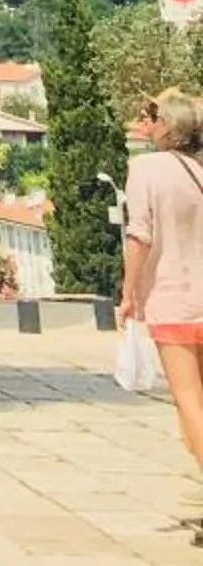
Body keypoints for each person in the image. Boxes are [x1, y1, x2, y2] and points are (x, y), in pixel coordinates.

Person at [120, 92, 203, 482]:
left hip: (174, 299)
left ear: (167, 126)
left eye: (151, 116)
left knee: (188, 401)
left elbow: (140, 236)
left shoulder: (145, 168)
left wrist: (128, 293)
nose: (145, 121)